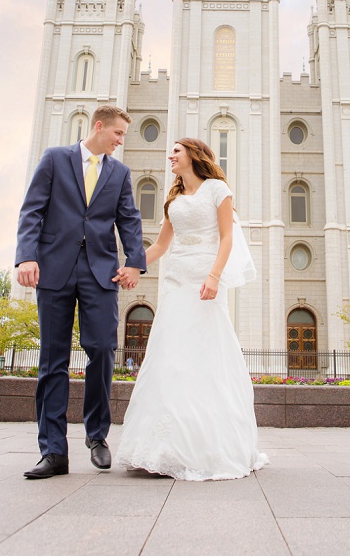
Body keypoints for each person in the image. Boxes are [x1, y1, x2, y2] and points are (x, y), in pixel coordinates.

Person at [116, 138, 267, 481]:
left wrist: (214, 276)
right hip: (175, 282)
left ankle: (205, 446)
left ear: (193, 155)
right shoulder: (173, 200)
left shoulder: (217, 190)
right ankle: (160, 447)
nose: (170, 156)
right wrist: (134, 267)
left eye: (176, 151)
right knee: (170, 357)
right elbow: (160, 245)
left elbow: (227, 238)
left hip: (205, 283)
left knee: (203, 356)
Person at [16, 105, 146, 479]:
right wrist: (27, 257)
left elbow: (129, 219)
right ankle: (53, 451)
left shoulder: (119, 173)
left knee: (103, 349)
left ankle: (97, 436)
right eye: (118, 133)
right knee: (52, 359)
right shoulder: (55, 159)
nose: (122, 141)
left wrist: (135, 262)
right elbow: (32, 211)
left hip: (101, 274)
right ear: (100, 126)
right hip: (54, 269)